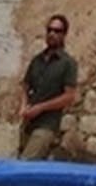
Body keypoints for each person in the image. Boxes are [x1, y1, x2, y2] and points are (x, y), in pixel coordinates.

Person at [18, 13, 79, 159]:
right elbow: (25, 86)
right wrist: (23, 106)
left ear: (64, 35)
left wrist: (41, 107)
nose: (52, 34)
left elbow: (69, 96)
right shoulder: (36, 60)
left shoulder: (68, 63)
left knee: (26, 163)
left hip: (47, 125)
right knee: (22, 163)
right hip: (28, 123)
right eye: (49, 30)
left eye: (57, 31)